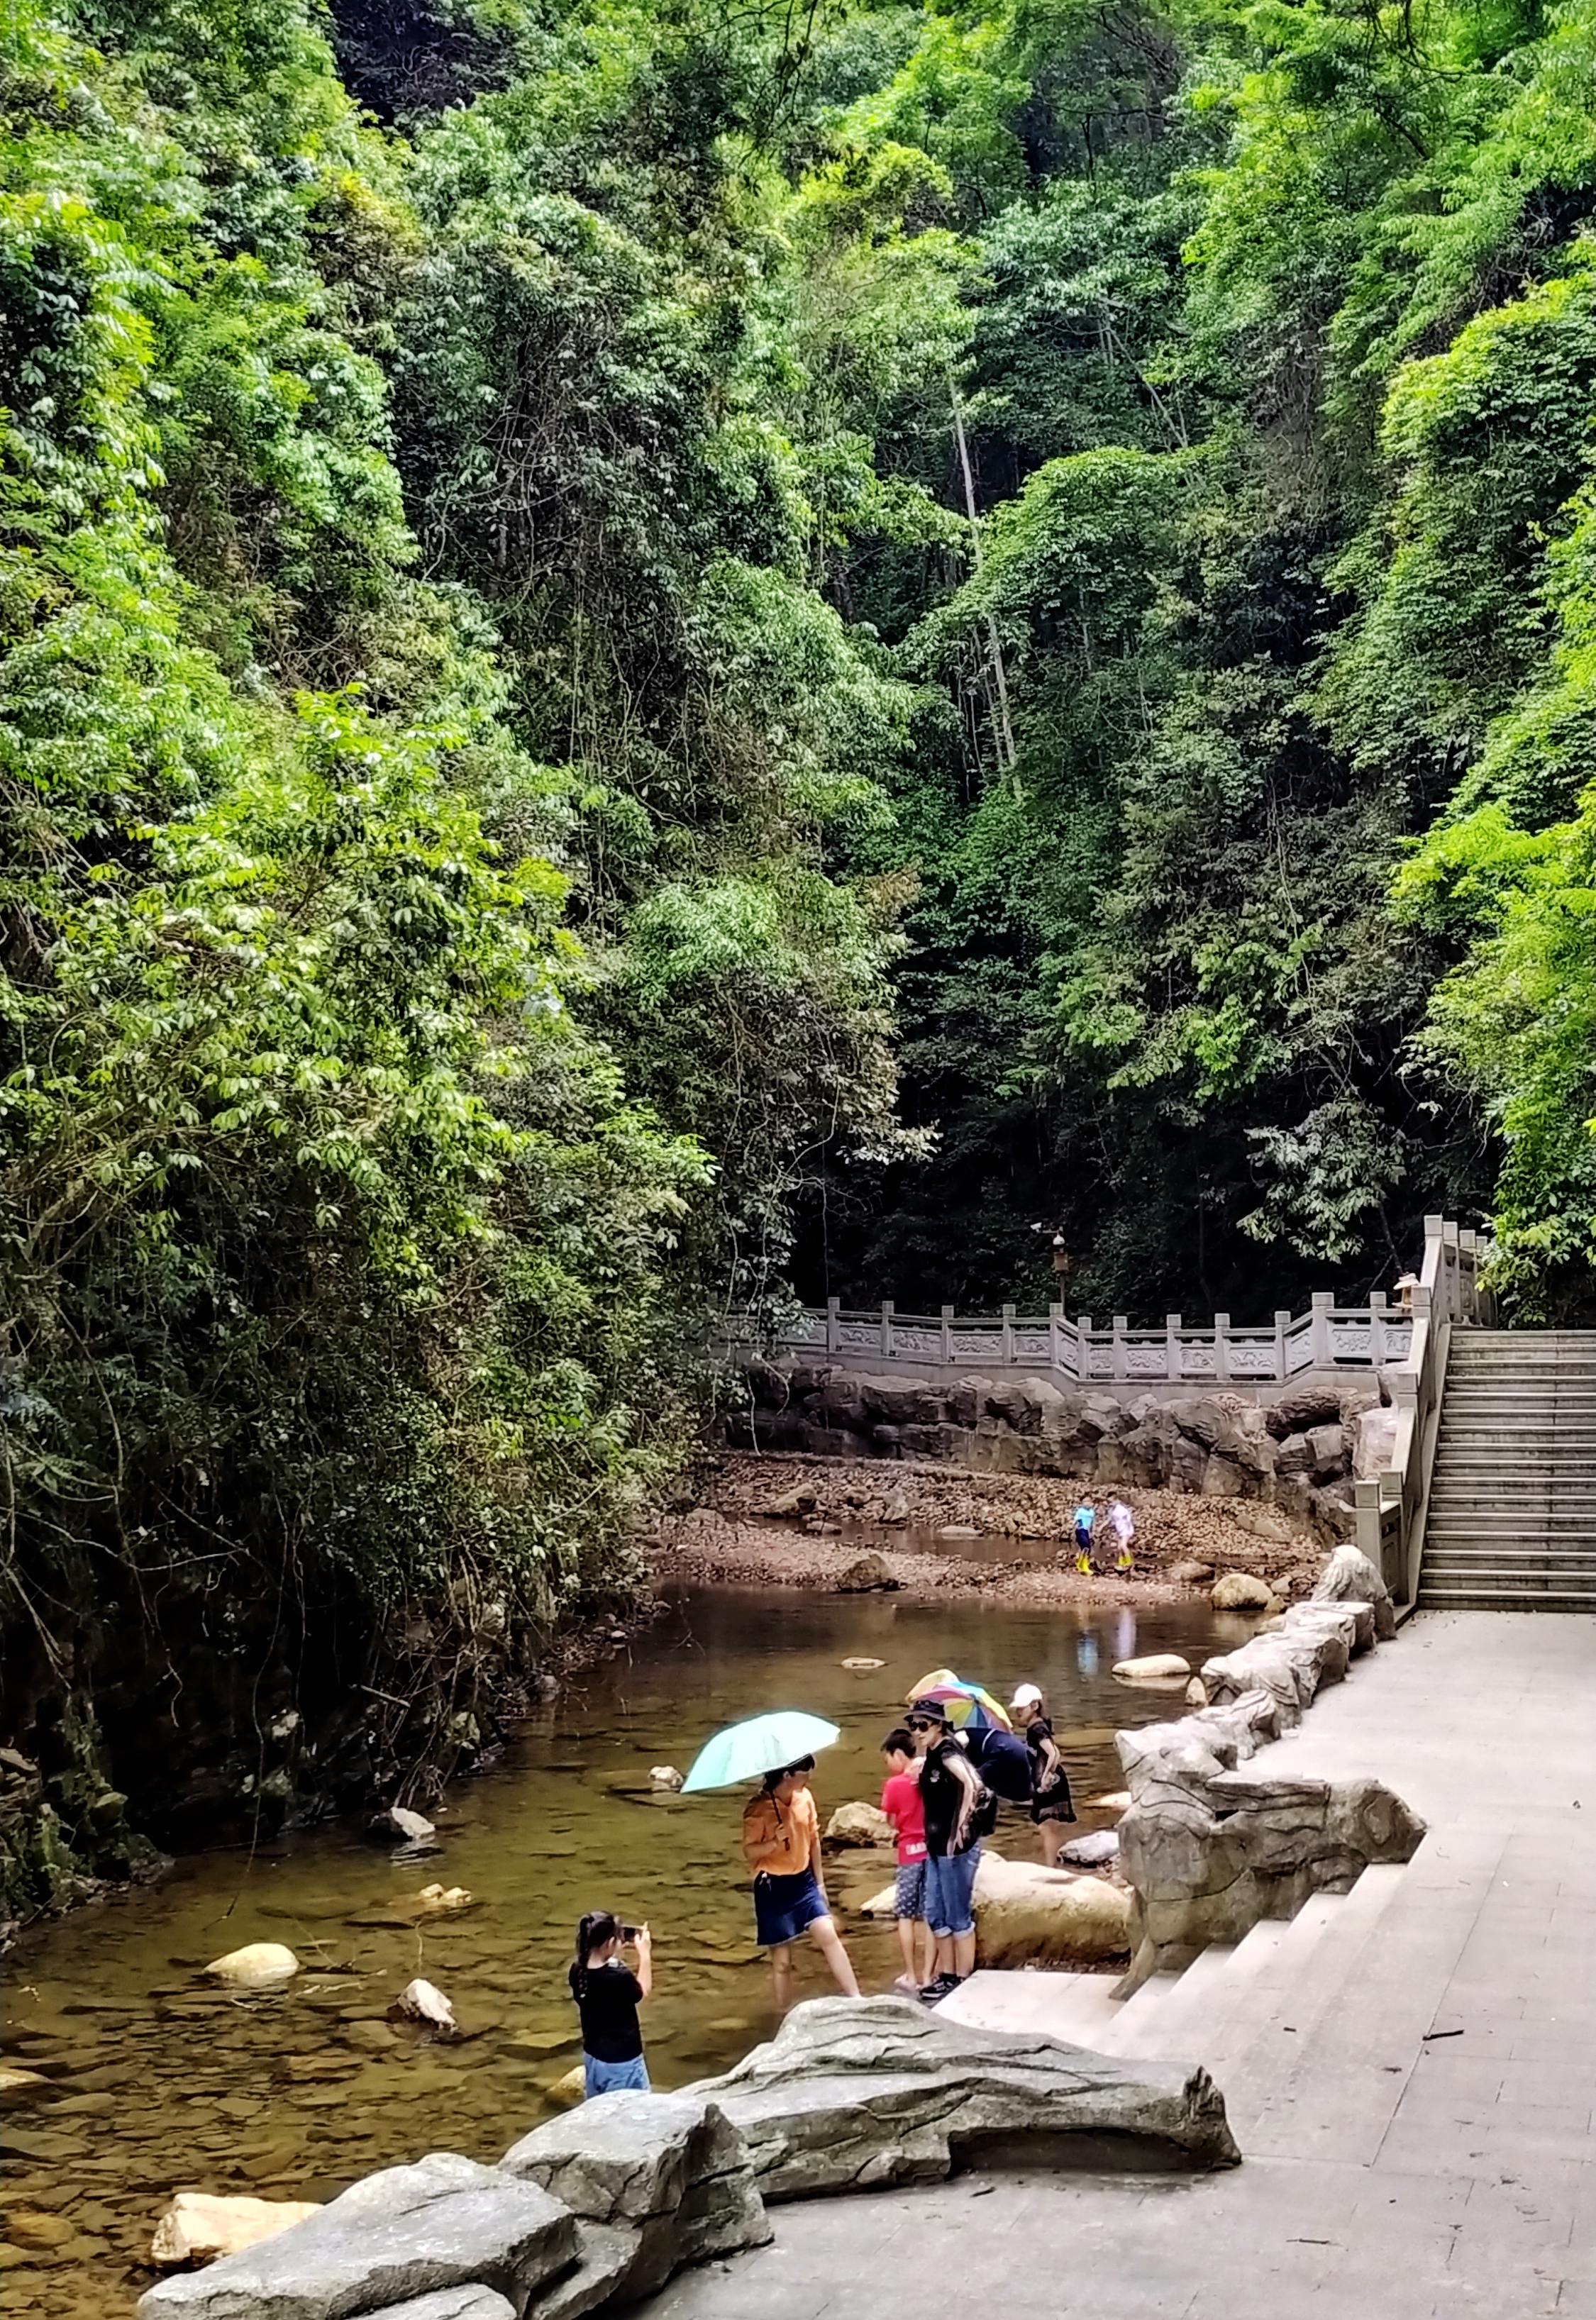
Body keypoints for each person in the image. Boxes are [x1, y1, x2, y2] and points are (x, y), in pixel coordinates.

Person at [742, 1755, 860, 2011]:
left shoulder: (805, 1798)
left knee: (828, 1934)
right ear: (787, 1774)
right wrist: (773, 1841)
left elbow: (814, 1841)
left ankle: (856, 1998)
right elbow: (750, 1852)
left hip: (803, 1882)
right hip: (772, 1887)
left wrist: (820, 1884)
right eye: (805, 1770)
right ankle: (784, 2016)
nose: (809, 1775)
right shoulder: (758, 1809)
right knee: (782, 1962)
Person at [907, 1697, 987, 2003]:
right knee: (935, 1914)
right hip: (936, 1847)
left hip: (956, 1849)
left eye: (923, 1725)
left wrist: (961, 1828)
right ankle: (947, 1975)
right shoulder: (933, 1755)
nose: (917, 1731)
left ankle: (962, 1979)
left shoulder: (947, 1751)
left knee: (957, 1915)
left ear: (939, 1725)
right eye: (913, 1725)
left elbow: (973, 1784)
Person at [569, 1910, 652, 2097]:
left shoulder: (577, 1970)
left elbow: (599, 1969)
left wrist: (612, 1954)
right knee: (633, 2110)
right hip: (622, 2061)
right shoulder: (619, 1977)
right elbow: (643, 1989)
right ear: (609, 1943)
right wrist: (645, 1954)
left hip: (594, 2057)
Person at [879, 1726, 932, 1992]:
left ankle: (911, 1976)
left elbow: (890, 1821)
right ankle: (930, 1974)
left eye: (888, 1758)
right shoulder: (929, 1774)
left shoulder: (895, 1784)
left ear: (898, 1754)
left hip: (909, 1854)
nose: (888, 1764)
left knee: (906, 1915)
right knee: (931, 1915)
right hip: (932, 1851)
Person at [1009, 1683, 1076, 1860]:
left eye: (1021, 1708)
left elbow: (1054, 1753)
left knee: (1045, 1826)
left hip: (1050, 1782)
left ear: (1035, 1706)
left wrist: (1046, 1776)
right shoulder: (1037, 1726)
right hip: (1048, 1780)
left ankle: (1051, 1865)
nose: (1018, 1713)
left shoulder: (1037, 1728)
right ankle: (1054, 1861)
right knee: (1048, 1826)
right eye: (1018, 1709)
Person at [965, 1719, 1033, 1807]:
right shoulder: (990, 1729)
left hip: (1003, 1753)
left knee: (975, 1779)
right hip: (1012, 1752)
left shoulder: (965, 1735)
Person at [1108, 1495, 1136, 1574]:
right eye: (1109, 1502)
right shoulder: (1112, 1511)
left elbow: (1128, 1519)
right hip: (1120, 1531)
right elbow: (1111, 1521)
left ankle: (1129, 1562)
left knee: (1123, 1546)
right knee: (1119, 1548)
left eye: (1111, 1502)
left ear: (1117, 1500)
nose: (1110, 1504)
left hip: (1126, 1530)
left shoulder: (1121, 1509)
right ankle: (1121, 1562)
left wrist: (1130, 1529)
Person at [1073, 1498, 1097, 1574]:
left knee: (1085, 1548)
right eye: (1085, 1502)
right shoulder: (1080, 1511)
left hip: (1087, 1531)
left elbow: (1093, 1523)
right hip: (1081, 1530)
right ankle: (1083, 1566)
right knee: (1086, 1546)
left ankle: (1080, 1563)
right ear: (1082, 1503)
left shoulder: (1092, 1512)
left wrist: (1093, 1532)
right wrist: (1073, 1527)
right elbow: (1076, 1520)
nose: (1087, 1504)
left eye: (1089, 1502)